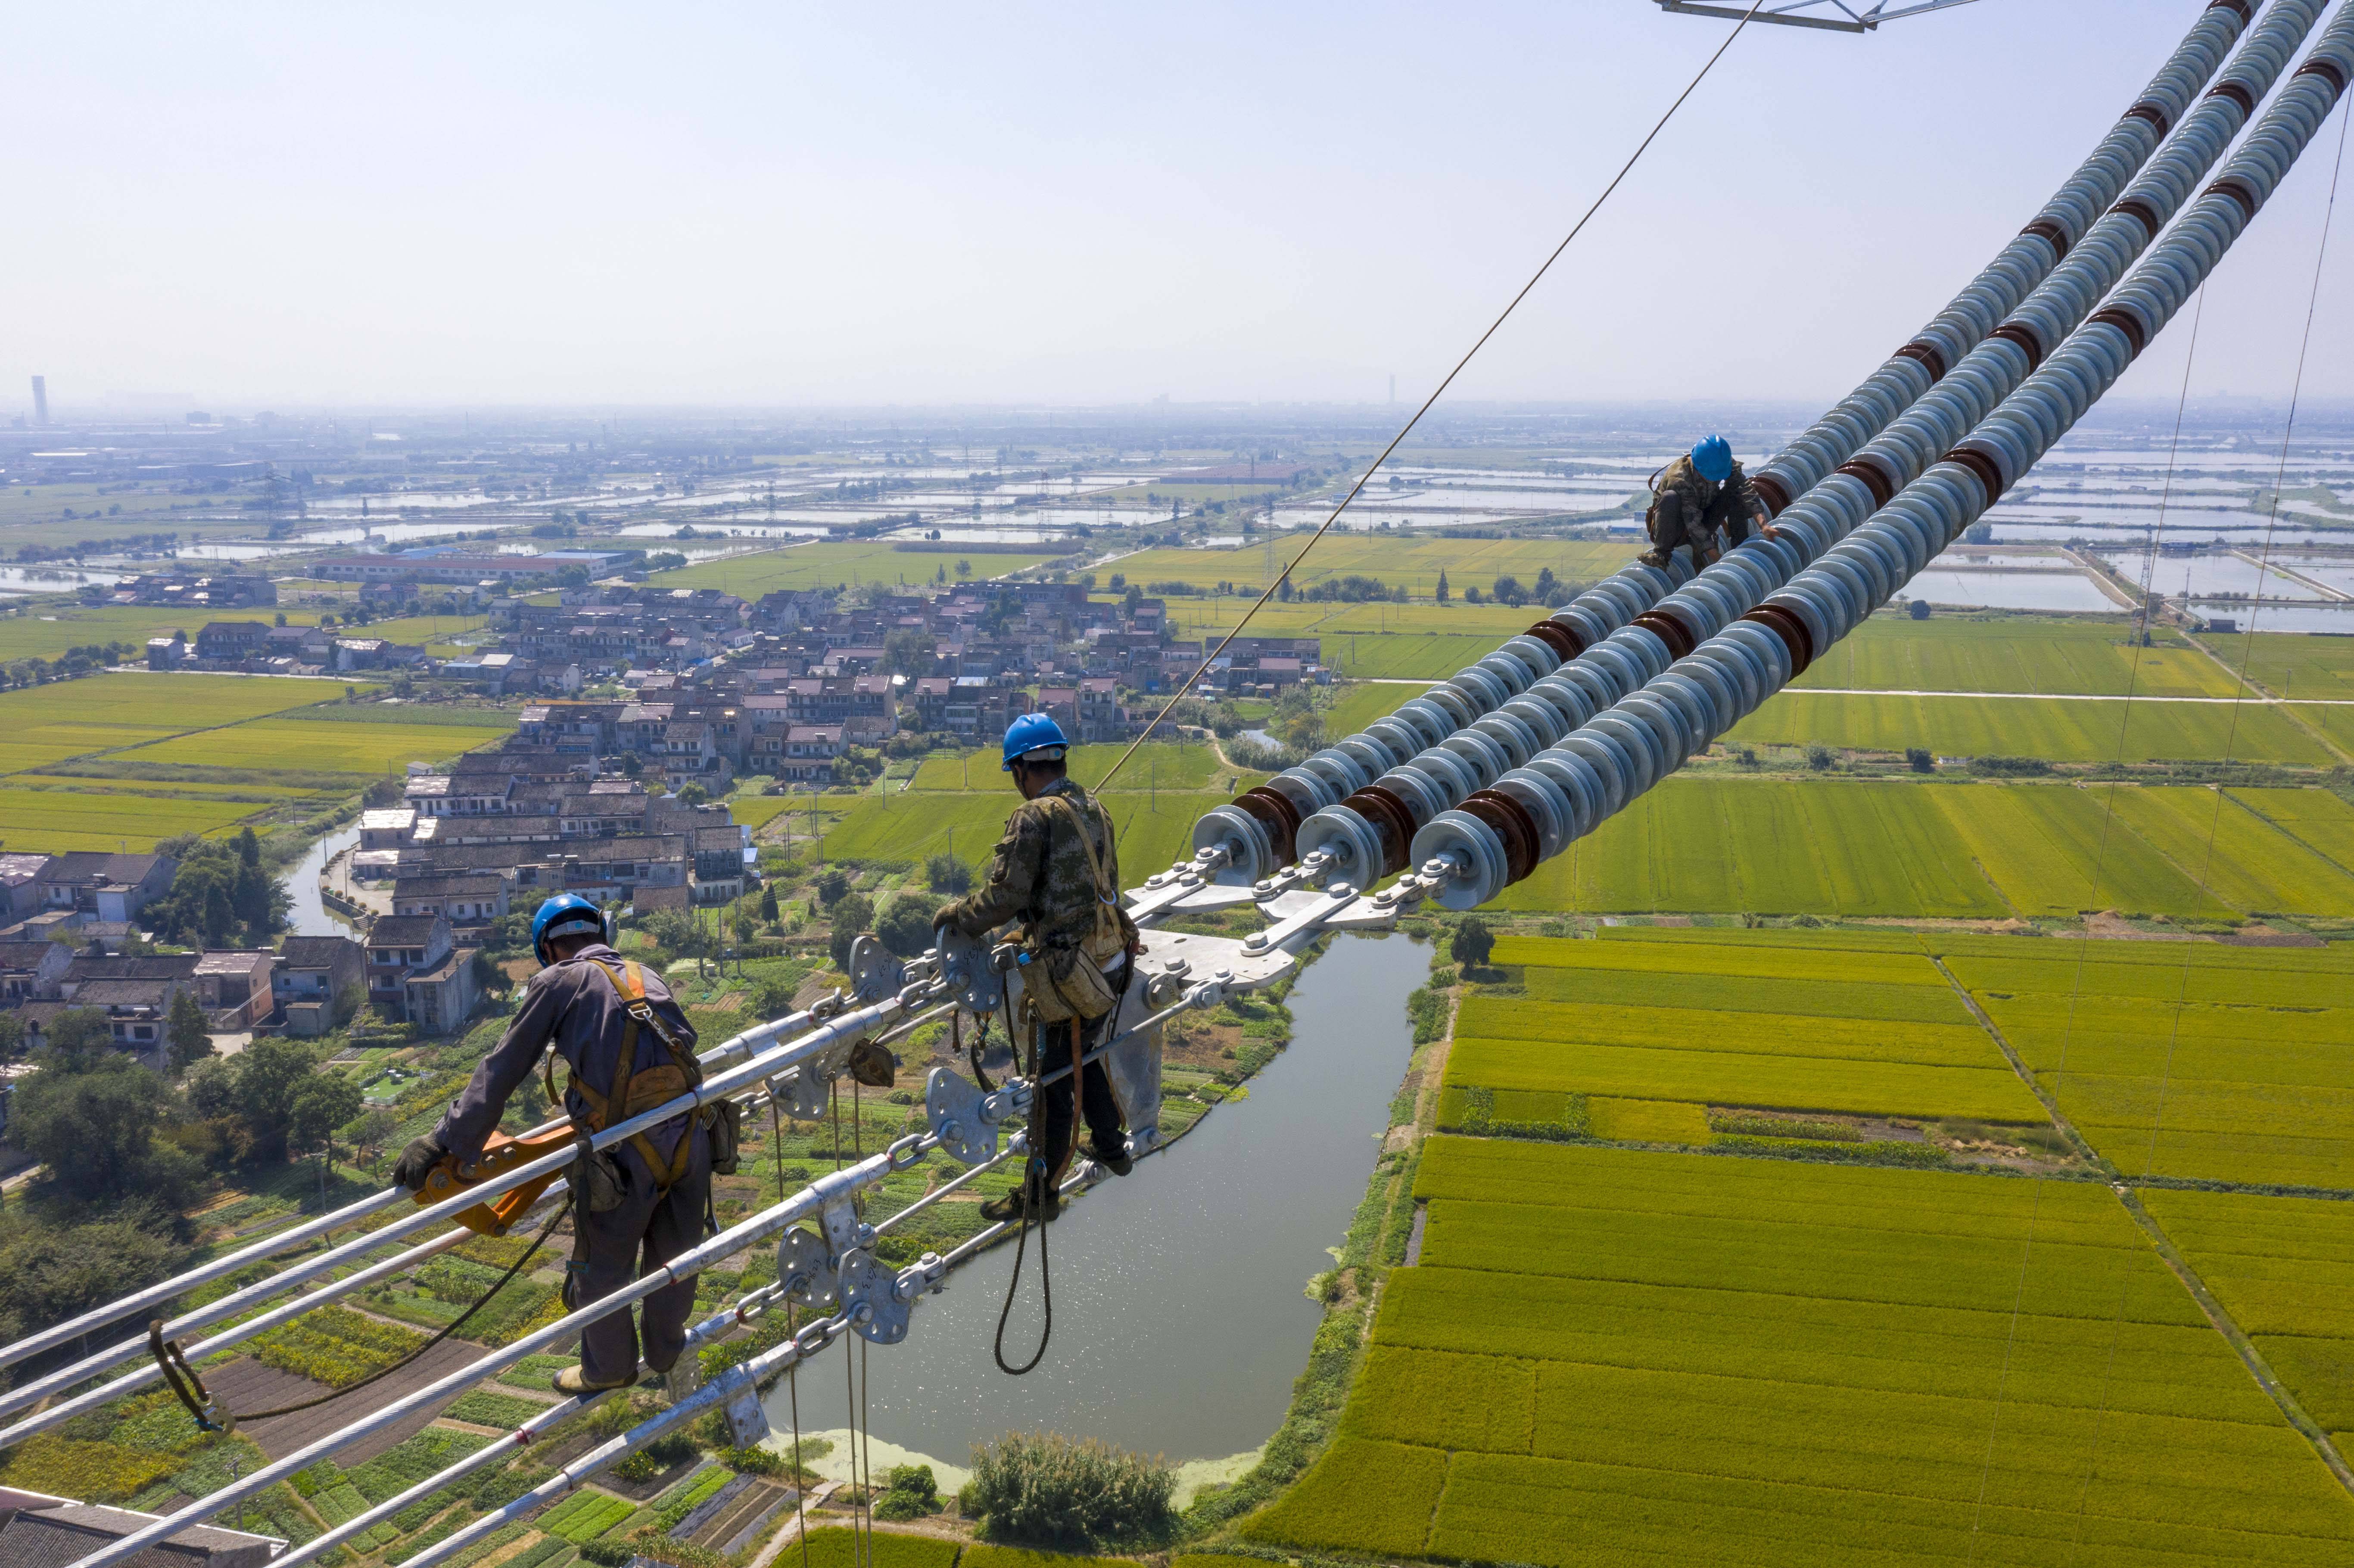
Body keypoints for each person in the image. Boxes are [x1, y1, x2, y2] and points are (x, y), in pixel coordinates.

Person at [392, 894, 707, 1394]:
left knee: (603, 1265)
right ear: (601, 933)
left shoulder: (557, 981)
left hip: (624, 1154)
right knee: (677, 1254)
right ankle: (666, 1349)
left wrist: (444, 1140)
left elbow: (504, 1068)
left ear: (549, 947)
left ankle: (608, 1370)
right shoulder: (647, 975)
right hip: (690, 1139)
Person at [935, 714, 1140, 1223]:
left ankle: (1040, 1193)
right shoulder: (1094, 806)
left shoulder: (1033, 817)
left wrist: (958, 917)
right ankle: (1111, 1145)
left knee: (1051, 1082)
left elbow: (1007, 895)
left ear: (1022, 770)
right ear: (1059, 759)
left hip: (1070, 975)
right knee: (1084, 1050)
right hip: (1110, 957)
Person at [1641, 434, 1777, 573]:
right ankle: (1662, 553)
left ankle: (1740, 546)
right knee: (1670, 497)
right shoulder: (1679, 478)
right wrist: (1717, 559)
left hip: (1704, 515)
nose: (1713, 481)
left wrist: (1764, 525)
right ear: (1699, 466)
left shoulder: (1722, 462)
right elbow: (1692, 521)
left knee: (1736, 492)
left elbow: (1745, 489)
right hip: (1676, 528)